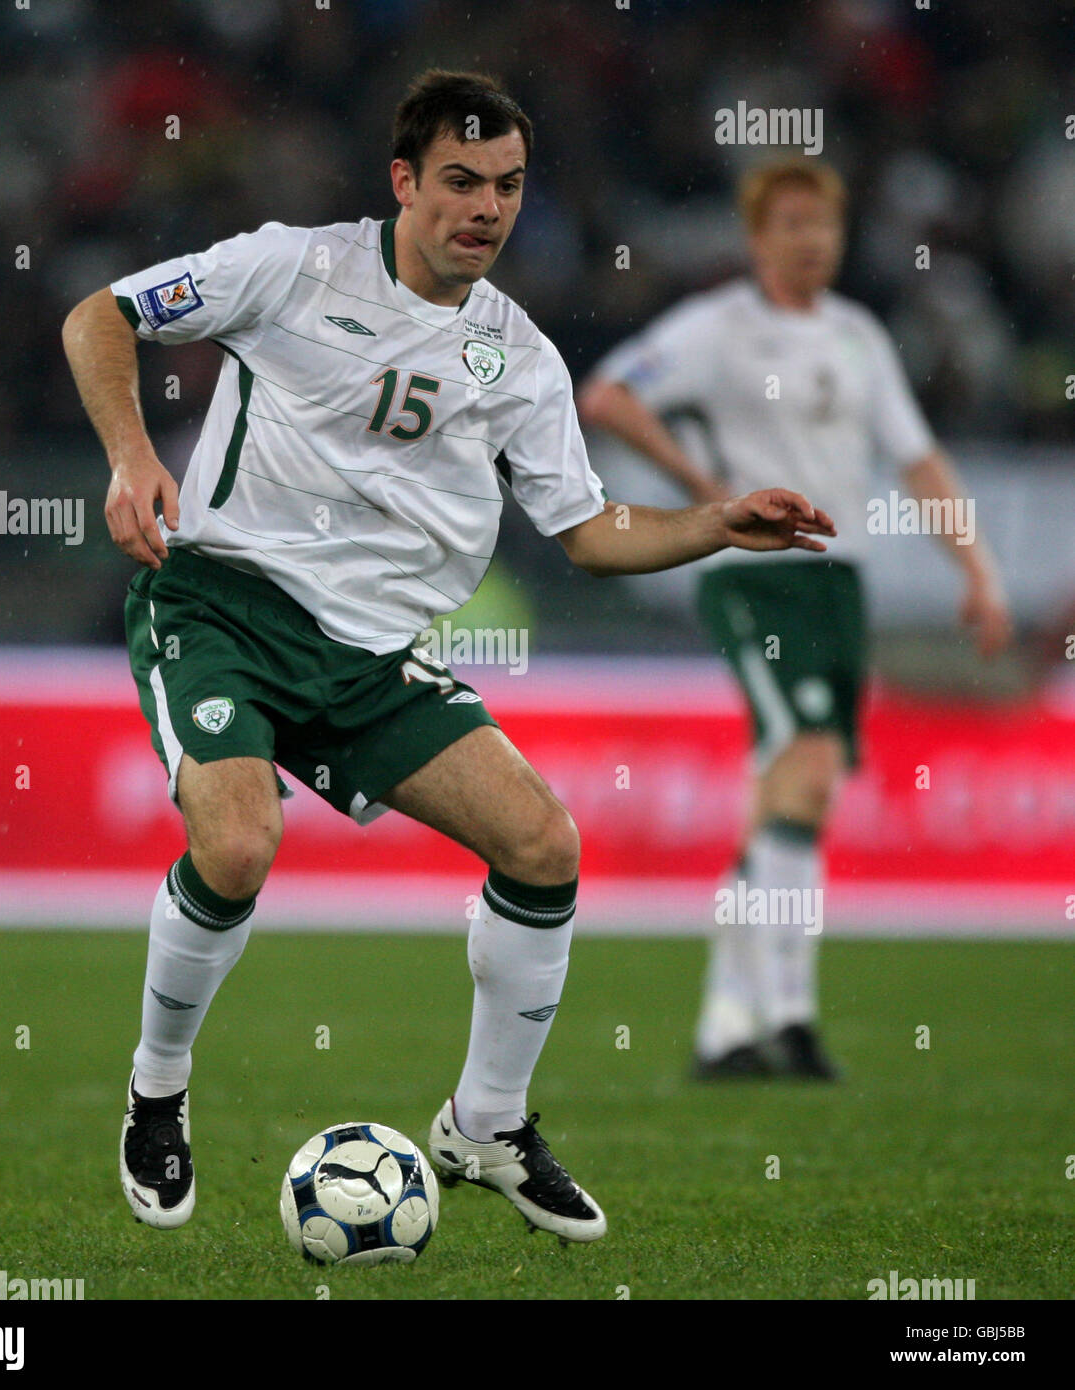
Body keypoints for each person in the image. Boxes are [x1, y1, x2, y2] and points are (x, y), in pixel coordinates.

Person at [62, 73, 835, 1244]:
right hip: (223, 605)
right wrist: (130, 455)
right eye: (460, 182)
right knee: (234, 839)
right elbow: (98, 317)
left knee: (542, 842)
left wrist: (714, 523)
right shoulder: (290, 266)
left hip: (371, 659)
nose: (485, 208)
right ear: (403, 183)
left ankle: (485, 1122)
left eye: (508, 186)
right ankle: (156, 1093)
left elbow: (584, 531)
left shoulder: (515, 358)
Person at [578, 158, 1012, 1081]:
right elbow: (609, 393)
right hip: (753, 575)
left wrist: (977, 568)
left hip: (836, 581)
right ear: (758, 236)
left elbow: (918, 458)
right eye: (793, 224)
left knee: (782, 793)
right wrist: (704, 490)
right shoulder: (716, 328)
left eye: (826, 224)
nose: (813, 240)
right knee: (809, 770)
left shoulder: (857, 335)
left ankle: (725, 1026)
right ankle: (792, 1017)